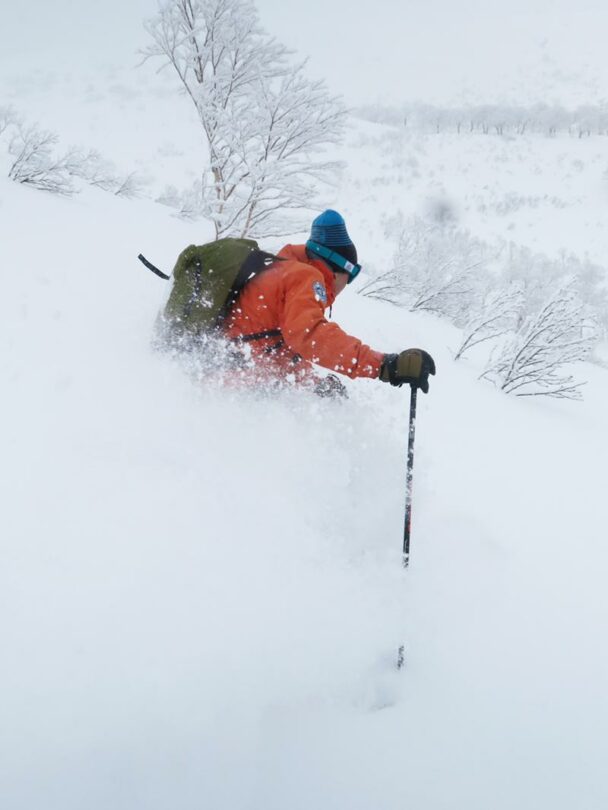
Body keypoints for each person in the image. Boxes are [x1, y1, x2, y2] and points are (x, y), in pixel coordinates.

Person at [223, 209, 436, 395]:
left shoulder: (282, 271)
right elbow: (310, 335)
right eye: (349, 277)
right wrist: (383, 365)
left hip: (228, 374)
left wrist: (314, 384)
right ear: (338, 270)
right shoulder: (306, 277)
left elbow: (280, 350)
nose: (345, 286)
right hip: (236, 386)